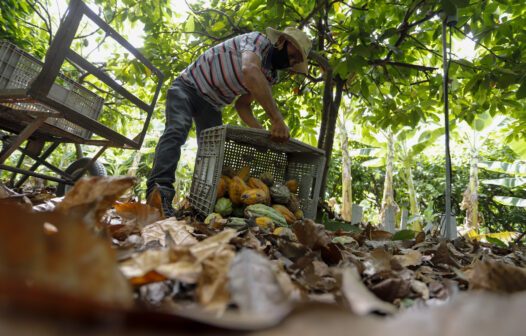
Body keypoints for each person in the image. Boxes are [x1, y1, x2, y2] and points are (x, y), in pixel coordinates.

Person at [146, 27, 312, 217]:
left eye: (295, 61)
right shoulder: (258, 41)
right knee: (176, 131)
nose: (291, 62)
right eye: (293, 55)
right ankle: (159, 196)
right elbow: (249, 69)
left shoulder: (271, 75)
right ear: (282, 41)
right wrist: (277, 119)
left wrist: (262, 135)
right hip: (188, 86)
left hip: (212, 105)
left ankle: (200, 205)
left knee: (212, 155)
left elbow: (243, 106)